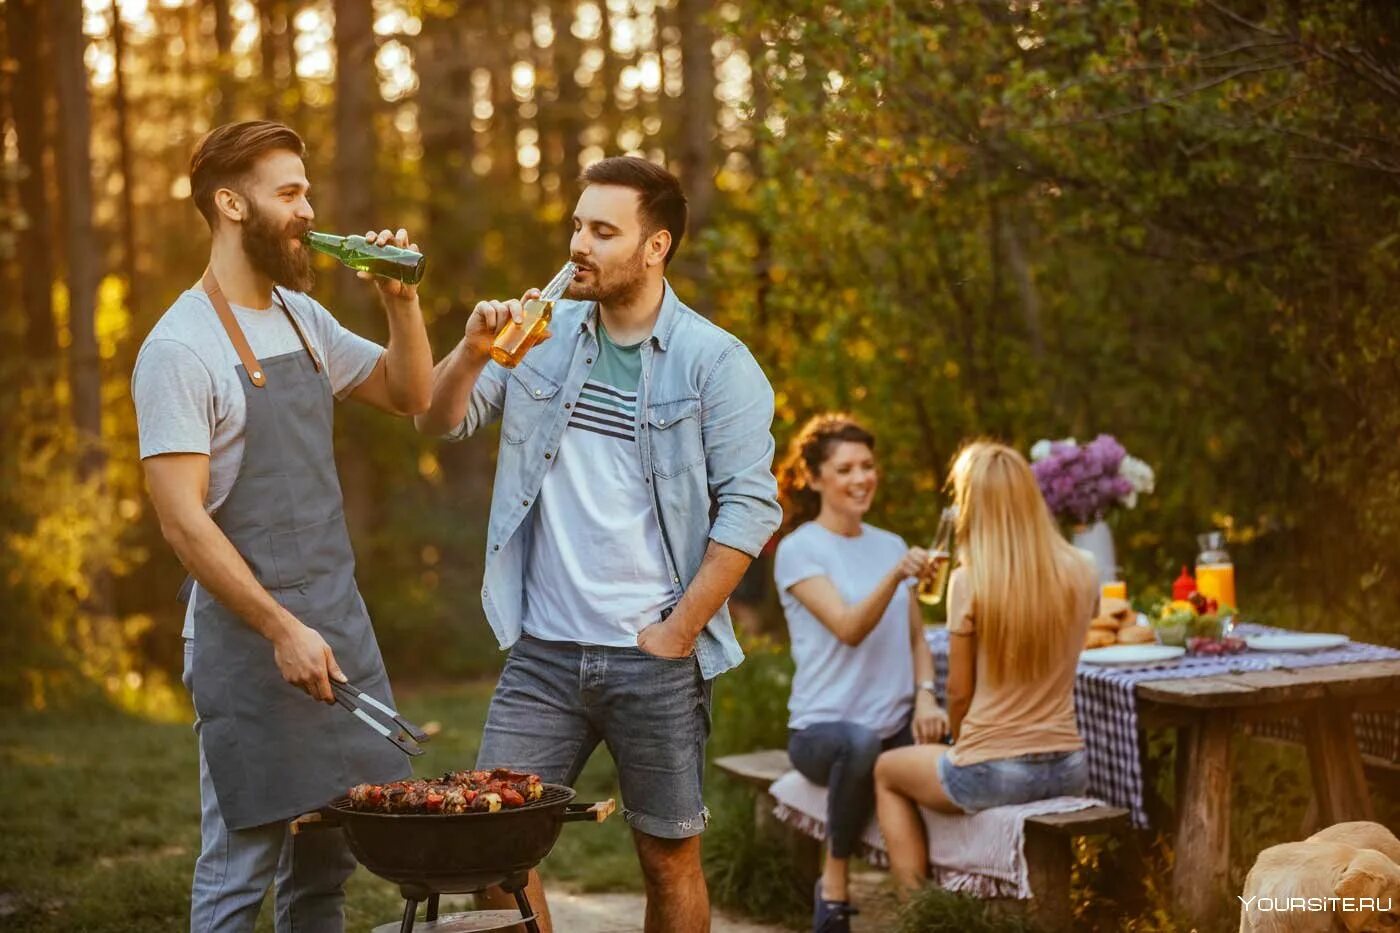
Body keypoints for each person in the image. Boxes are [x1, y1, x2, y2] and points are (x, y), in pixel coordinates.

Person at [415, 156, 781, 933]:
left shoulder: (716, 363)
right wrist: (473, 351)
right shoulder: (536, 336)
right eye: (578, 225)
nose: (579, 244)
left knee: (667, 858)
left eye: (603, 230)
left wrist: (677, 631)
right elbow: (438, 419)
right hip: (542, 651)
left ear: (656, 248)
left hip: (654, 658)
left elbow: (750, 512)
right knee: (492, 848)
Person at [132, 120, 433, 932]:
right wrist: (279, 626)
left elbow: (412, 394)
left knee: (325, 865)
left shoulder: (304, 318)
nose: (309, 211)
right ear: (232, 203)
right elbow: (183, 522)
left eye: (308, 191)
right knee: (241, 866)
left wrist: (399, 304)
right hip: (248, 638)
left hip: (336, 620)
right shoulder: (179, 348)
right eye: (289, 193)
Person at [873, 441, 1097, 892]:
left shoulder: (968, 580)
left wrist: (960, 742)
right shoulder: (1085, 568)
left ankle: (917, 907)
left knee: (886, 771)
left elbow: (958, 692)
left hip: (993, 771)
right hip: (1071, 766)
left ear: (971, 505)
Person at [772, 413, 948, 933]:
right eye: (845, 468)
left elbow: (916, 637)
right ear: (816, 477)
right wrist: (896, 576)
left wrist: (926, 696)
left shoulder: (890, 543)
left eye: (867, 466)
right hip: (823, 732)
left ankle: (931, 906)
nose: (860, 478)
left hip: (897, 725)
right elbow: (849, 627)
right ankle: (834, 882)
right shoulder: (799, 549)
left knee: (960, 749)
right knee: (860, 743)